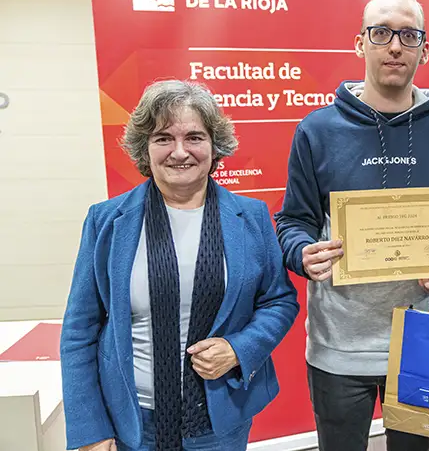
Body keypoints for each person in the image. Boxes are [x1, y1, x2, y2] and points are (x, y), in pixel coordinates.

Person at [274, 0, 429, 451]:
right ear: (360, 43)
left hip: (421, 339)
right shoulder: (318, 130)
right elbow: (292, 221)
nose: (394, 45)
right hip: (339, 346)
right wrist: (302, 254)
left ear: (424, 49)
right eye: (382, 32)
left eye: (409, 35)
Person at [60, 80, 299, 451]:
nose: (179, 152)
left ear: (214, 145)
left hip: (220, 419)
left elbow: (279, 300)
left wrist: (239, 348)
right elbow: (79, 330)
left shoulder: (250, 217)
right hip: (129, 419)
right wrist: (90, 428)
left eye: (194, 137)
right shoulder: (107, 221)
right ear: (145, 148)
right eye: (163, 138)